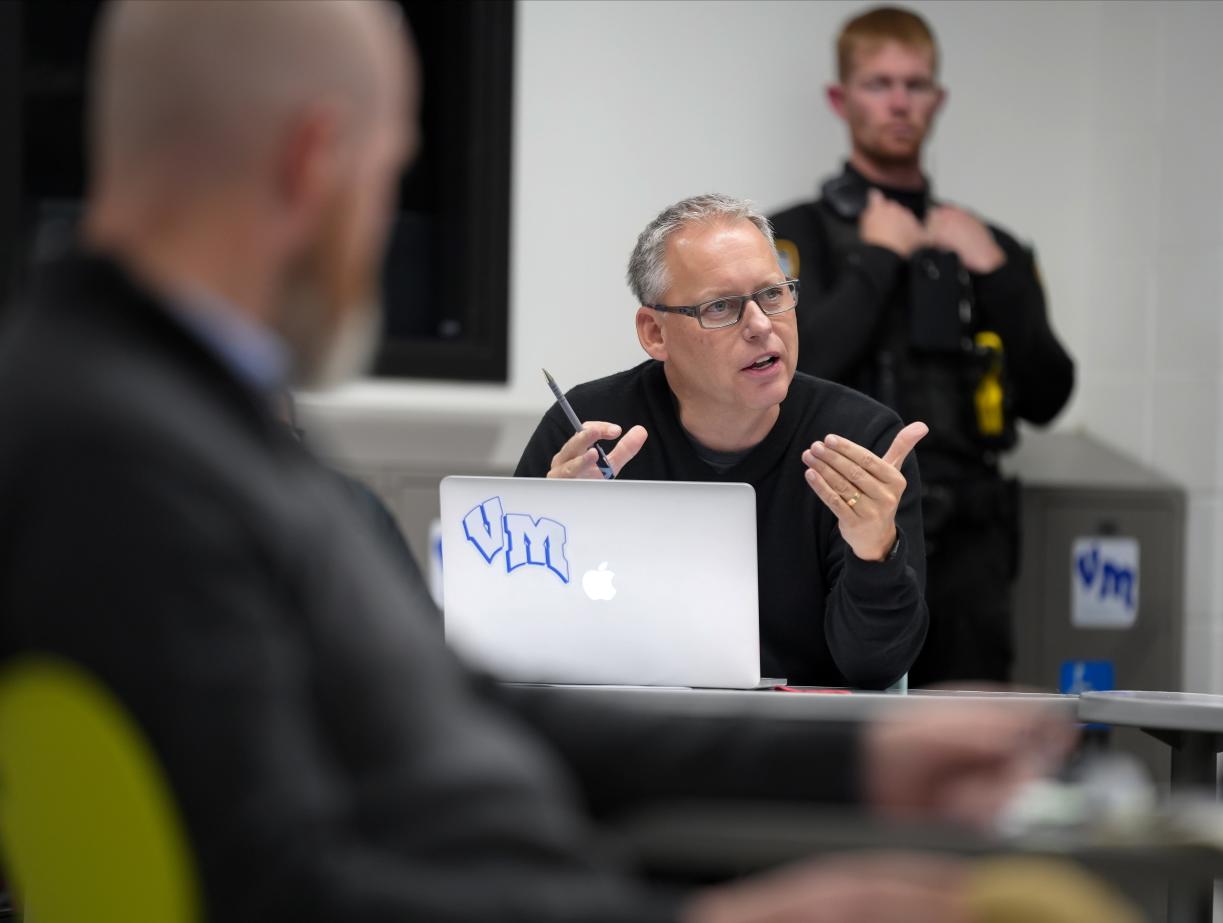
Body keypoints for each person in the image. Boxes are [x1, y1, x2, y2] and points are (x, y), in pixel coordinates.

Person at [0, 2, 1072, 921]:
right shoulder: (116, 460)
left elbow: (458, 706)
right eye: (389, 175)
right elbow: (272, 881)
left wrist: (852, 759)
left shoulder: (183, 408)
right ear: (311, 162)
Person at [768, 6, 1075, 685]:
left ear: (937, 100)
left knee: (965, 752)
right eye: (879, 84)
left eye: (916, 84)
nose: (900, 102)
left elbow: (1050, 394)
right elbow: (785, 375)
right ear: (840, 98)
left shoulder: (986, 244)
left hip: (970, 549)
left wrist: (995, 273)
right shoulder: (789, 240)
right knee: (847, 748)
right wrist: (877, 260)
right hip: (838, 531)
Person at [516, 194, 928, 689]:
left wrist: (873, 551)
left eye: (773, 295)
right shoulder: (587, 433)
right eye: (721, 307)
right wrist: (547, 535)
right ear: (655, 333)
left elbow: (875, 668)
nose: (759, 326)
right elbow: (516, 648)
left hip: (799, 741)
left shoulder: (862, 441)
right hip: (630, 736)